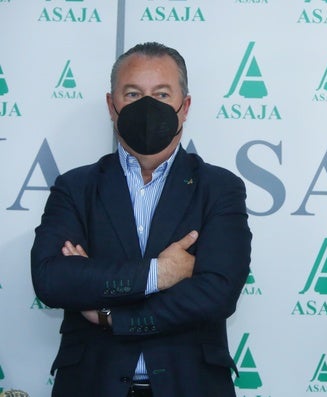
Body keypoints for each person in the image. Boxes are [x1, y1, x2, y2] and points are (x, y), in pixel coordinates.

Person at [31, 42, 252, 397]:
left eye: (162, 94)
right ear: (111, 105)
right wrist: (160, 273)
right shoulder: (75, 187)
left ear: (185, 107)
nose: (148, 107)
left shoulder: (219, 188)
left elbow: (218, 293)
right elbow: (53, 280)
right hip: (90, 384)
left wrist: (110, 315)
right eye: (133, 94)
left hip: (190, 384)